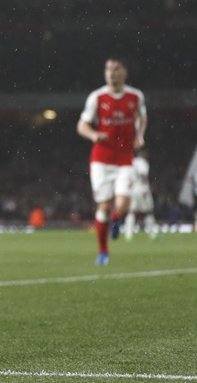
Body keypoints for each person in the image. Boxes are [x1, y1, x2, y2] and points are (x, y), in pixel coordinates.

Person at [77, 57, 147, 265]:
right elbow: (82, 125)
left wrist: (140, 135)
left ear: (125, 72)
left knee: (123, 205)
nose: (111, 73)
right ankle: (103, 252)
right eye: (108, 69)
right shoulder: (97, 97)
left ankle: (116, 220)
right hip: (101, 159)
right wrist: (93, 135)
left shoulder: (135, 96)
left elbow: (143, 118)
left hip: (125, 158)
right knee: (104, 206)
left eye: (116, 69)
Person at [123, 148, 159, 241]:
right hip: (141, 190)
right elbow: (143, 175)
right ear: (142, 153)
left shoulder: (132, 161)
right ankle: (153, 235)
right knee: (148, 211)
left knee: (132, 212)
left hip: (132, 190)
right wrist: (145, 188)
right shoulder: (143, 163)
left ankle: (128, 235)